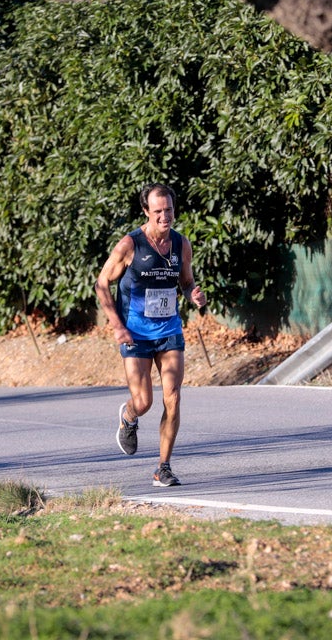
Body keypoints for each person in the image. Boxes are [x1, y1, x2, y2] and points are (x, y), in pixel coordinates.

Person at [95, 183, 207, 487]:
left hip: (169, 329)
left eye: (168, 210)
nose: (164, 216)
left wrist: (192, 294)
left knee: (173, 398)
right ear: (146, 211)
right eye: (157, 211)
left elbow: (186, 282)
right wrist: (117, 325)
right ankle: (129, 416)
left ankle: (163, 467)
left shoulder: (181, 245)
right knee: (143, 401)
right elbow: (102, 284)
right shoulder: (130, 245)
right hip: (135, 333)